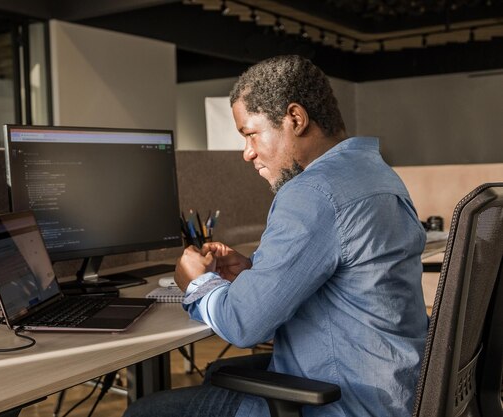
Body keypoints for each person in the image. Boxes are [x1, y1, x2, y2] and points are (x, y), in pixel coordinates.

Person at [123, 55, 428, 417]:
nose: (247, 152)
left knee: (145, 412)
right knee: (218, 374)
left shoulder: (313, 192)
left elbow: (243, 325)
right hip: (396, 393)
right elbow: (348, 278)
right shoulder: (375, 173)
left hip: (344, 403)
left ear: (295, 119)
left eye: (251, 133)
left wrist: (195, 282)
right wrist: (256, 271)